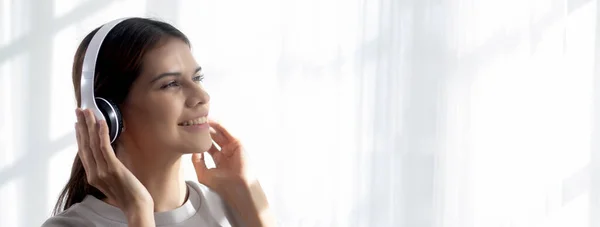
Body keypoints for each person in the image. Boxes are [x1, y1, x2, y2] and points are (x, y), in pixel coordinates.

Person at [41, 17, 275, 227]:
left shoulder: (235, 210)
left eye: (197, 78)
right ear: (106, 112)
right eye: (171, 83)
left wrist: (250, 196)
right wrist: (138, 212)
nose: (202, 97)